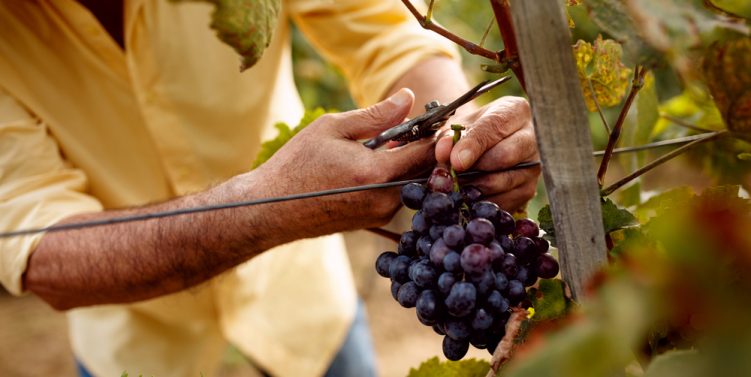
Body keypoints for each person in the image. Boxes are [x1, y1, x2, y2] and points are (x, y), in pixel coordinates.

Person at [0, 0, 540, 376]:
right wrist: (272, 204)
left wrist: (461, 130)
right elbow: (40, 249)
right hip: (134, 331)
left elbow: (386, 35)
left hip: (300, 304)